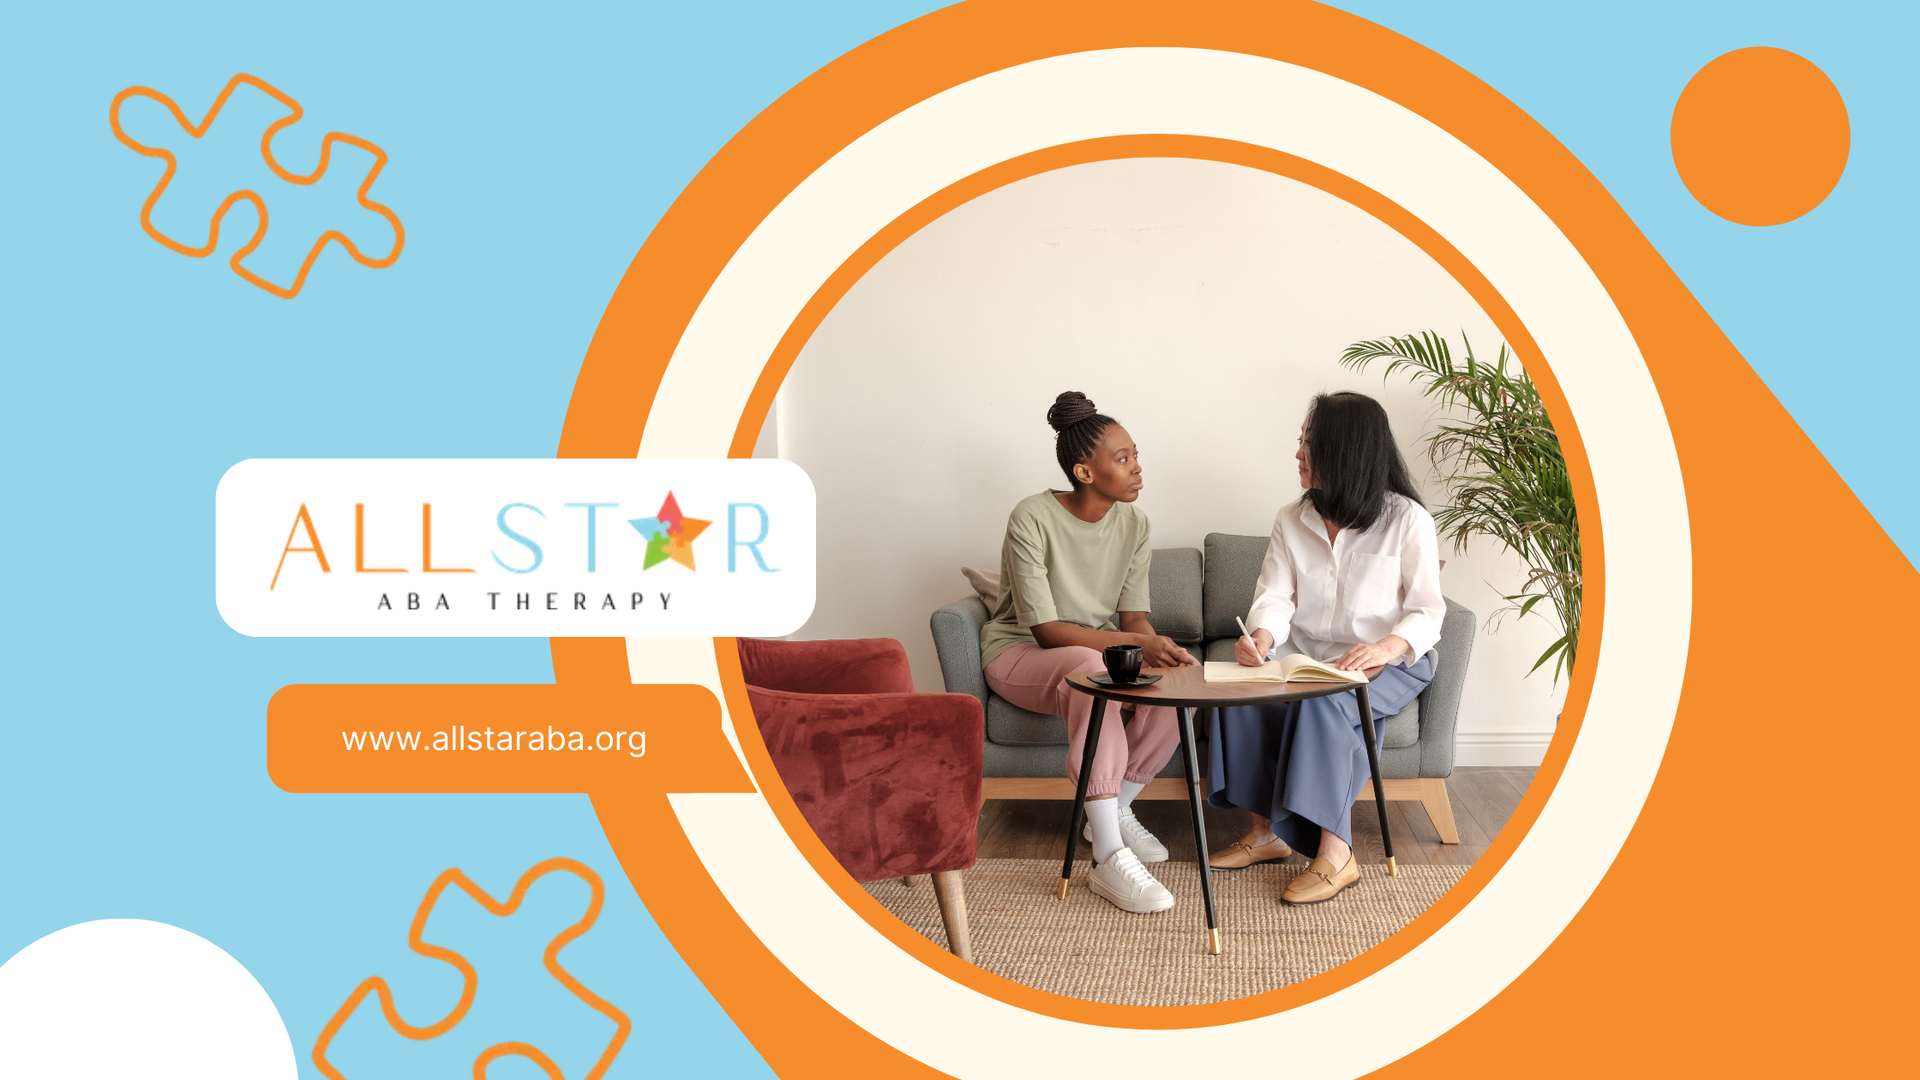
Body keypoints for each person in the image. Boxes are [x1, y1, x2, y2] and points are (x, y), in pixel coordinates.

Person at [1205, 391, 1445, 905]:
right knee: (1240, 690)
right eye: (1300, 441)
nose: (1297, 453)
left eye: (1308, 443)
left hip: (1392, 660)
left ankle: (1337, 855)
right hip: (1308, 654)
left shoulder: (1407, 520)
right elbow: (1274, 595)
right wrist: (1263, 638)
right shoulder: (1291, 517)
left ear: (1344, 449)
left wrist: (1384, 647)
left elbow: (1427, 610)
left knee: (1326, 703)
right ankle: (1265, 834)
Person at [980, 391, 1200, 914]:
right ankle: (1108, 856)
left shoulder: (1135, 525)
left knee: (1179, 684)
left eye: (1135, 455)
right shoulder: (1031, 515)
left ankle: (1112, 809)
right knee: (1088, 671)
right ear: (1084, 471)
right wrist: (1135, 644)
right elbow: (1048, 632)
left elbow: (1132, 621)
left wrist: (1156, 649)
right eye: (1122, 459)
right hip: (1020, 654)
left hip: (1099, 651)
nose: (1137, 468)